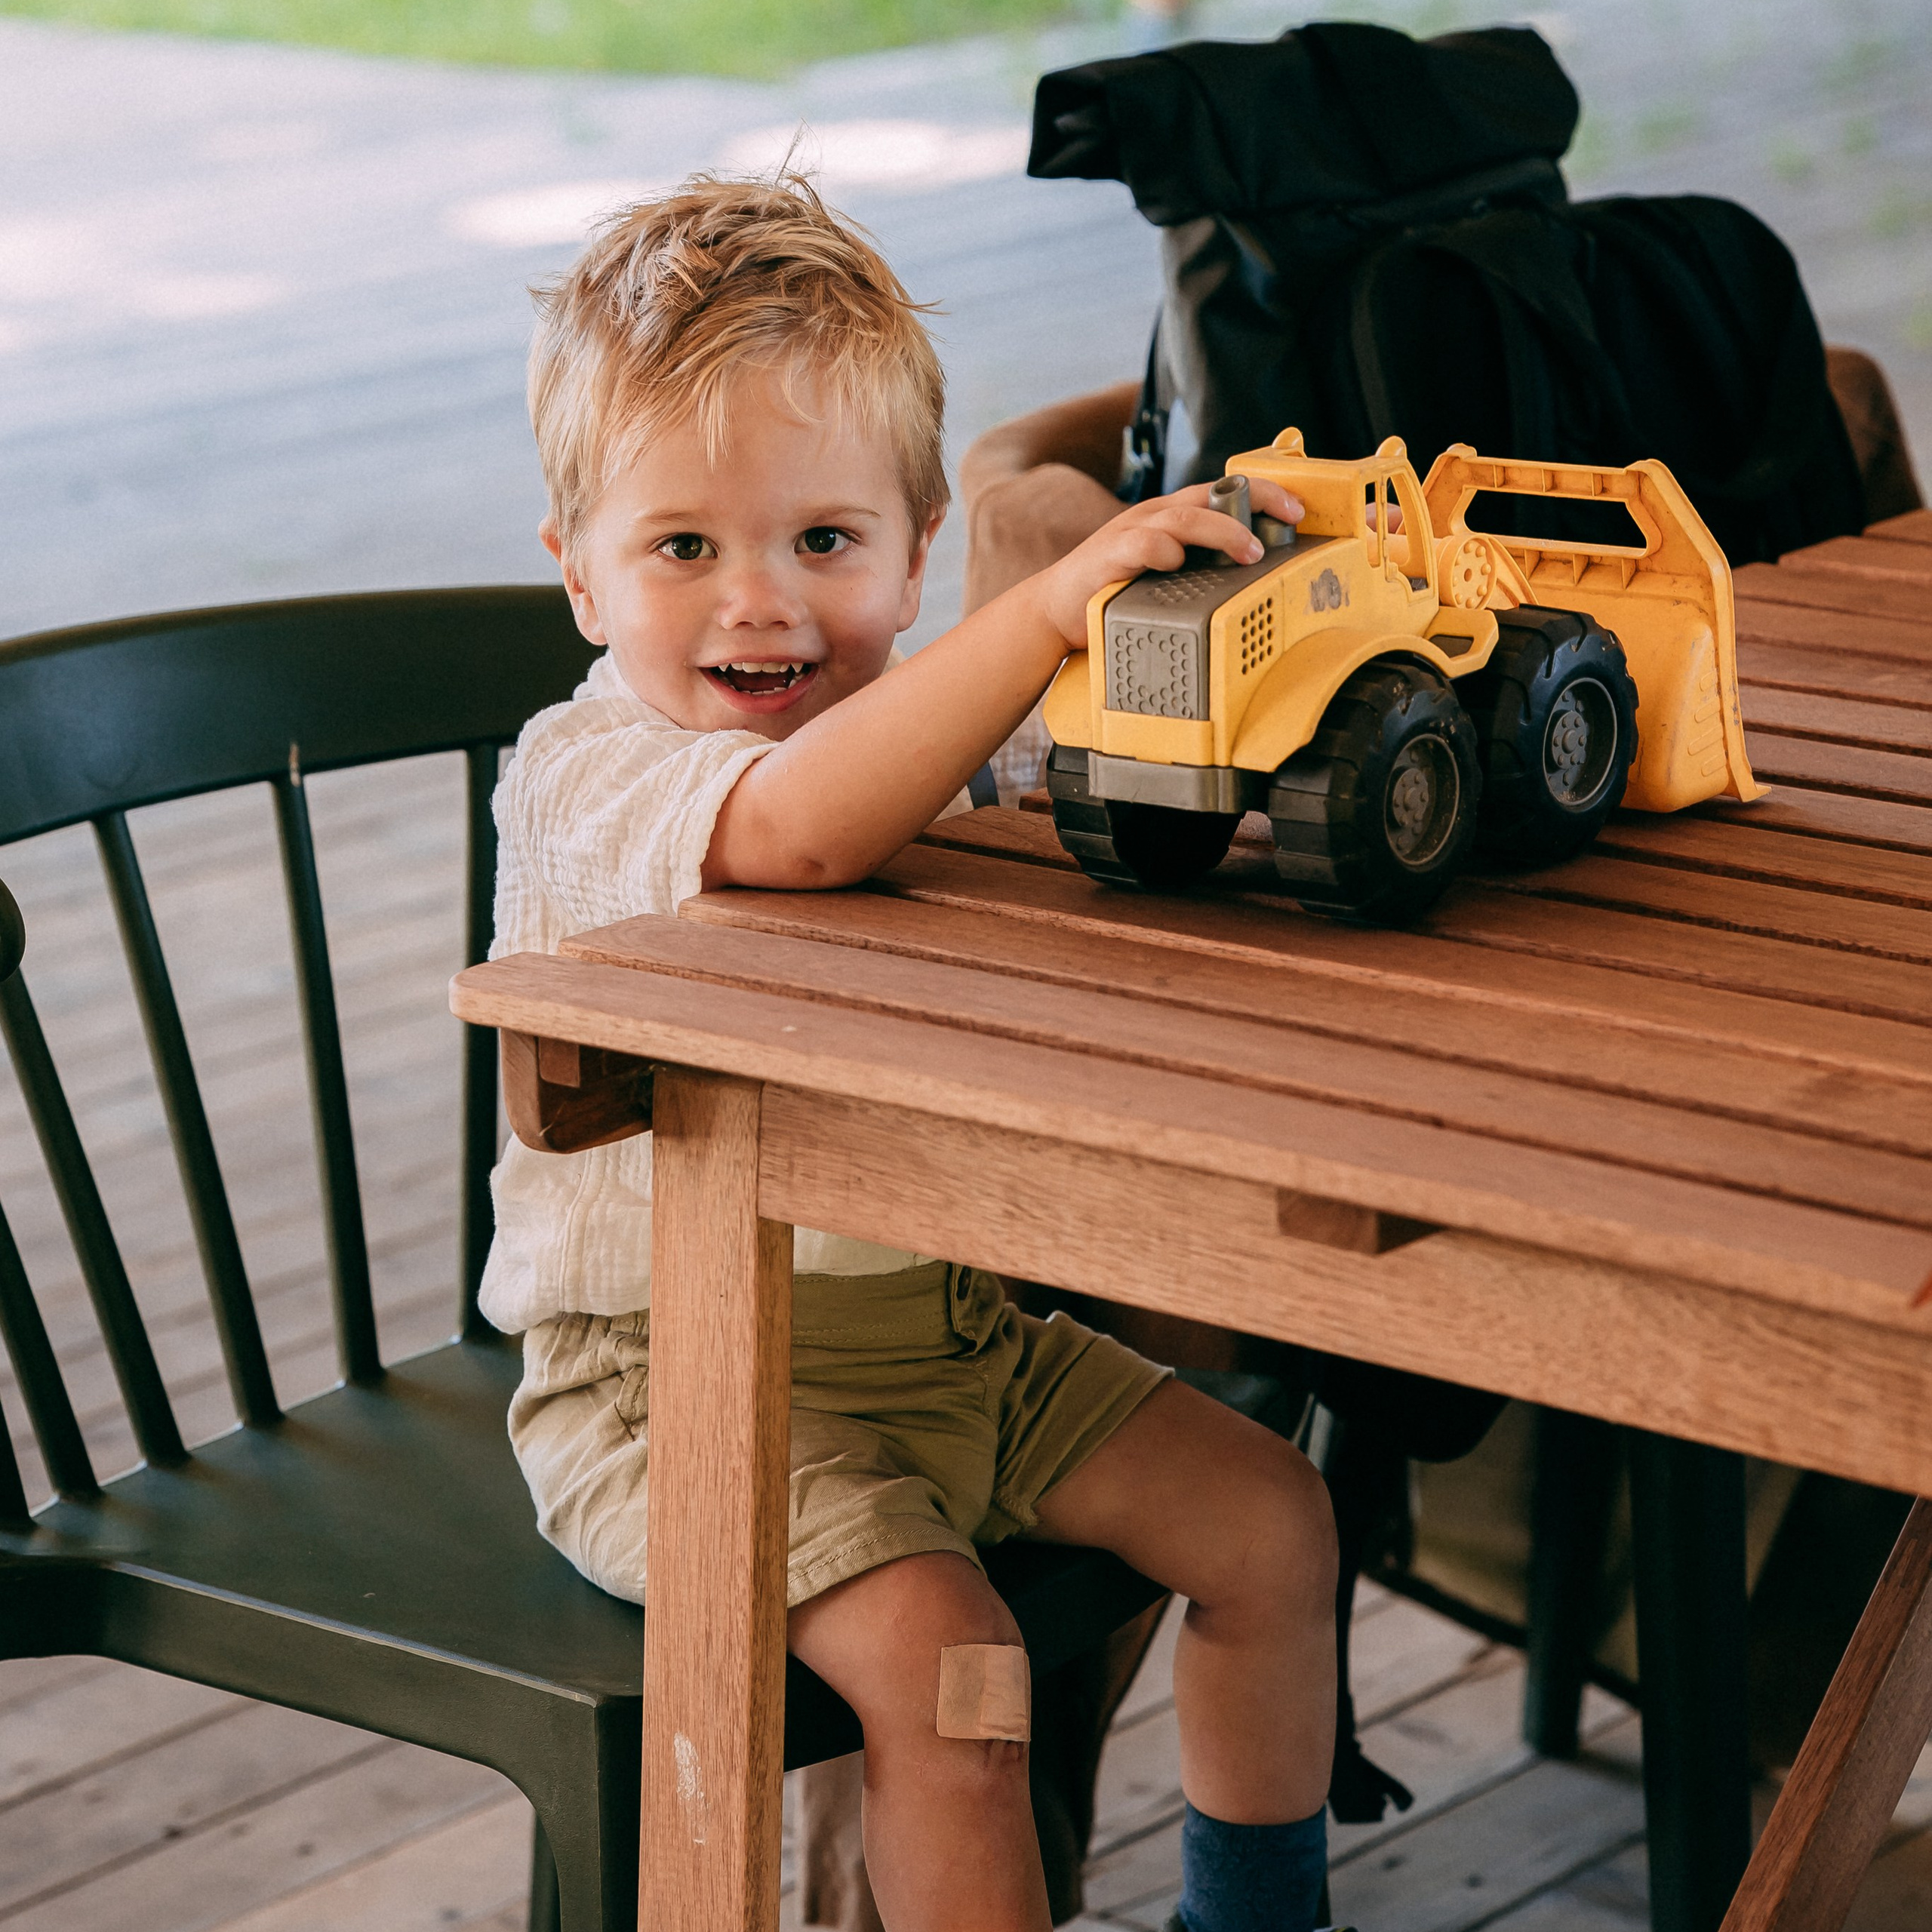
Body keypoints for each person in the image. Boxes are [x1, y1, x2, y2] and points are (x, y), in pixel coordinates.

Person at [481, 171, 1341, 1932]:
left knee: (1273, 1524)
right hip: (675, 1383)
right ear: (574, 571)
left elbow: (1046, 838)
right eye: (681, 546)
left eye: (822, 540)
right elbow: (796, 833)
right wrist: (1029, 625)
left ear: (913, 542)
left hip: (951, 1342)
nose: (760, 607)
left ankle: (1253, 1910)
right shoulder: (584, 778)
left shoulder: (912, 732)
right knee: (958, 1674)